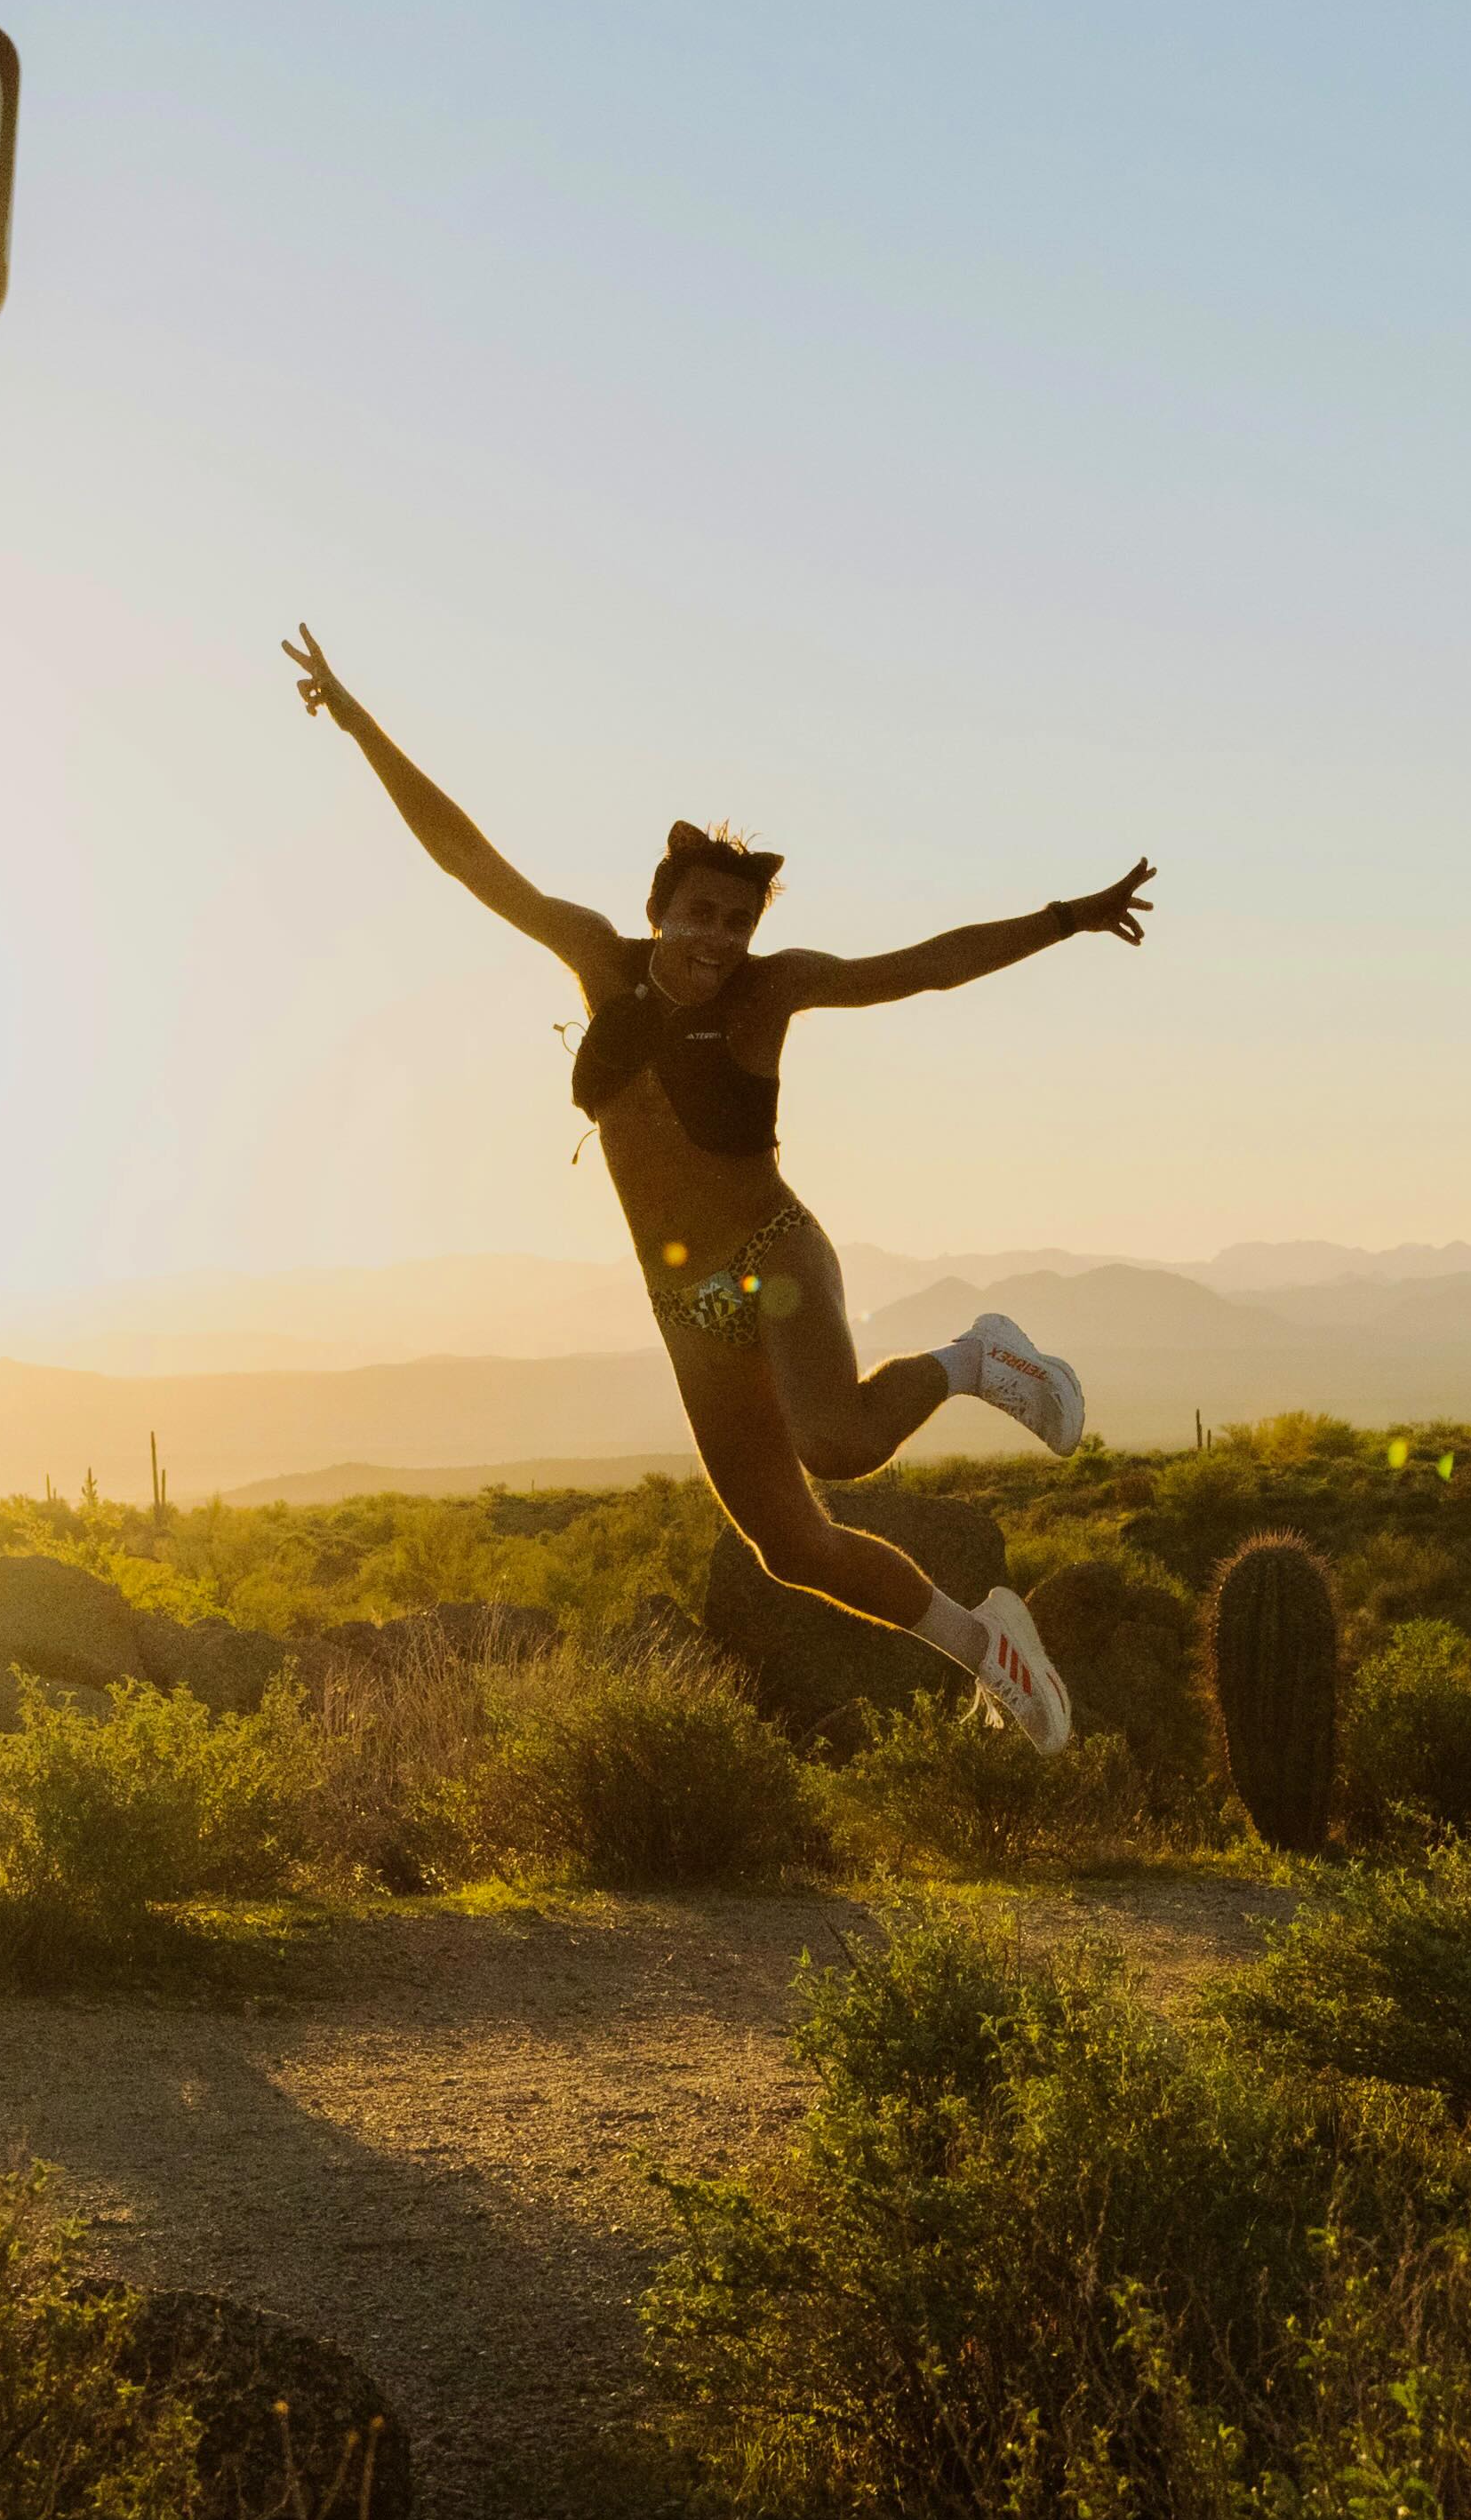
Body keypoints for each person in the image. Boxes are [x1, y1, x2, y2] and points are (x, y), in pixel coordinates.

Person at [284, 626, 1152, 1750]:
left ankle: (975, 1357)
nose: (717, 938)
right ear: (659, 912)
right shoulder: (598, 961)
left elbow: (925, 966)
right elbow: (469, 858)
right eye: (699, 915)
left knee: (838, 1444)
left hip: (774, 1253)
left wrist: (1064, 918)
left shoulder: (767, 994)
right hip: (688, 1308)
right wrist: (358, 723)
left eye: (737, 922)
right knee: (789, 1548)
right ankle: (988, 1647)